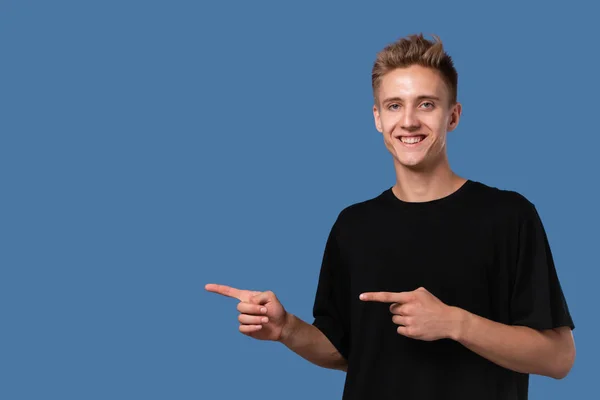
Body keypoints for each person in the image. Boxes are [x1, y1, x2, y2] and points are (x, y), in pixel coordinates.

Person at [205, 33, 576, 399]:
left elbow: (558, 357)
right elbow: (348, 350)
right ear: (378, 118)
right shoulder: (353, 226)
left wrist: (454, 322)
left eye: (426, 104)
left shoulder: (509, 216)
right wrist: (286, 328)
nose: (409, 121)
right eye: (395, 105)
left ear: (454, 115)